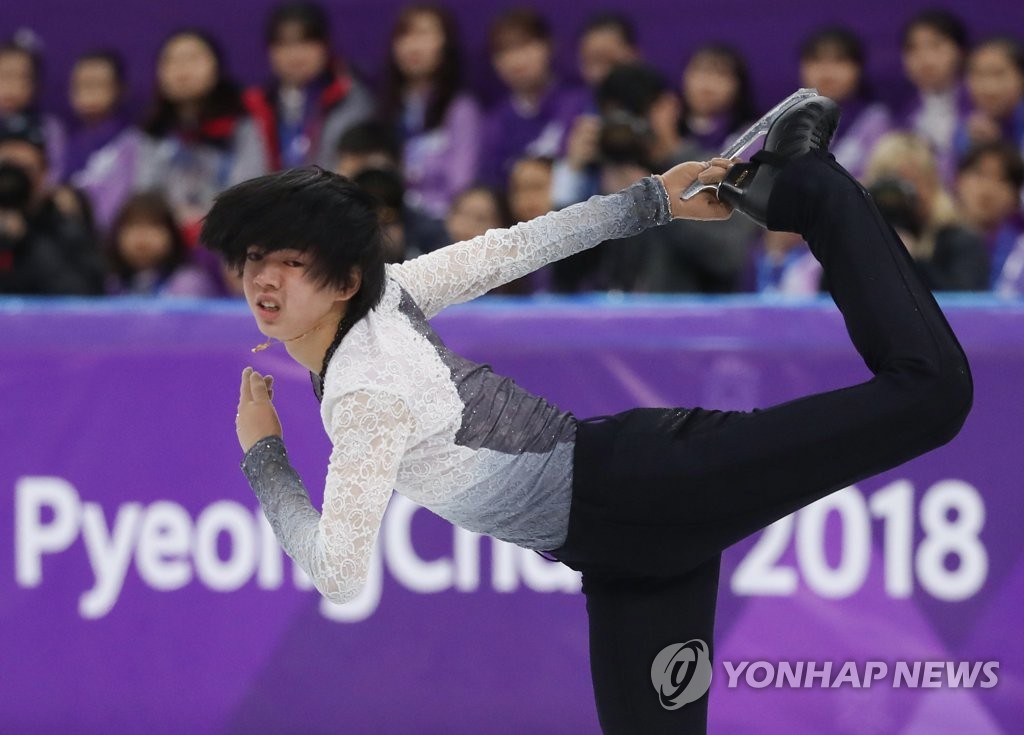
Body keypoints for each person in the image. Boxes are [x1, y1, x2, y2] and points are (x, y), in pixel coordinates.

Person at [201, 95, 972, 734]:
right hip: (624, 554)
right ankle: (790, 185)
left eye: (292, 263)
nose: (265, 280)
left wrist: (264, 456)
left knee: (933, 393)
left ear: (343, 280)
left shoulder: (366, 390)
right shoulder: (388, 298)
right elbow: (516, 247)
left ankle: (806, 185)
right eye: (256, 258)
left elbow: (338, 570)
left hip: (651, 485)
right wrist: (649, 200)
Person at [378, 3, 483, 219]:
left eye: (424, 34)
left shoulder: (461, 110)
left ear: (446, 44)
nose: (413, 46)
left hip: (442, 229)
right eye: (406, 35)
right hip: (392, 226)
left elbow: (461, 187)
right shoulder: (386, 110)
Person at [244, 1, 374, 171]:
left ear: (326, 45)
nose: (295, 55)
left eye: (305, 42)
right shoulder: (257, 104)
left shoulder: (350, 97)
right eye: (284, 44)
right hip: (271, 196)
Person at [863, 131, 989, 291]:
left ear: (932, 184)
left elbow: (963, 306)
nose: (900, 195)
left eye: (911, 182)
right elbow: (831, 302)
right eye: (891, 183)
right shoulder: (861, 237)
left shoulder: (960, 241)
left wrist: (912, 260)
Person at [480, 8, 588, 187]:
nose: (516, 60)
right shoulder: (494, 123)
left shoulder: (579, 103)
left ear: (549, 46)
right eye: (504, 51)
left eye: (524, 45)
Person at [0, 113, 104, 295]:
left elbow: (82, 295)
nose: (12, 179)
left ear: (44, 174)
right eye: (6, 168)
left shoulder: (66, 223)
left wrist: (28, 240)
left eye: (24, 170)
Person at [798, 26, 893, 179]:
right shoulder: (786, 122)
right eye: (817, 60)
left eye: (839, 60)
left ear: (858, 68)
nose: (827, 71)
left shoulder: (876, 121)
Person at [898, 9, 971, 185]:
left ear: (961, 52)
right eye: (913, 49)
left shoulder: (982, 108)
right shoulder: (900, 119)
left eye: (936, 45)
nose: (925, 58)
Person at [105, 192, 222, 296]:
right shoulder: (110, 285)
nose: (142, 236)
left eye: (153, 225)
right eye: (132, 226)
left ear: (172, 233)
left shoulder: (188, 285)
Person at [955, 36, 1024, 159]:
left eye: (998, 74)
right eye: (979, 75)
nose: (988, 88)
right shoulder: (967, 131)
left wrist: (999, 149)